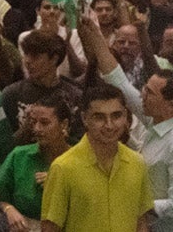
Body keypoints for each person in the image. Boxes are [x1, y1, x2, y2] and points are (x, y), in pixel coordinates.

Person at [79, 5, 173, 232]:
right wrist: (95, 34)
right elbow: (118, 80)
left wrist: (133, 204)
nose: (142, 94)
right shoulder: (155, 121)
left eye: (149, 92)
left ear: (170, 104)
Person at [40, 84, 154, 232]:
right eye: (99, 117)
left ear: (126, 116)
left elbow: (141, 222)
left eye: (116, 115)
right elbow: (50, 228)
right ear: (84, 118)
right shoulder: (63, 167)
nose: (109, 125)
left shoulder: (137, 163)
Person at [0, 96, 71, 232]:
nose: (37, 129)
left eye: (44, 123)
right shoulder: (19, 155)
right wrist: (9, 209)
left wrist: (59, 187)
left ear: (64, 125)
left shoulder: (78, 160)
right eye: (34, 122)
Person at [1, 32, 83, 136]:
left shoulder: (75, 97)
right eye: (26, 54)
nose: (27, 61)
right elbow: (3, 147)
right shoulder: (11, 95)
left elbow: (80, 141)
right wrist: (25, 130)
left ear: (54, 59)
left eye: (35, 56)